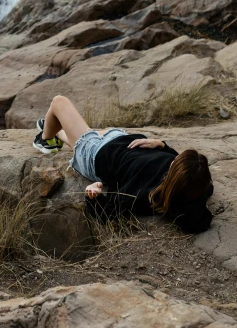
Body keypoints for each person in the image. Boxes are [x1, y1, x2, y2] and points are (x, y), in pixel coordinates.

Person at [33, 95, 213, 233]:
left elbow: (105, 212)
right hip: (120, 140)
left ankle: (46, 138)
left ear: (174, 176)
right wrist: (162, 145)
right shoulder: (197, 187)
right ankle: (58, 134)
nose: (173, 158)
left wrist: (93, 195)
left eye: (174, 162)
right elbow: (198, 205)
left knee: (59, 102)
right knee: (84, 131)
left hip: (95, 154)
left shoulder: (144, 195)